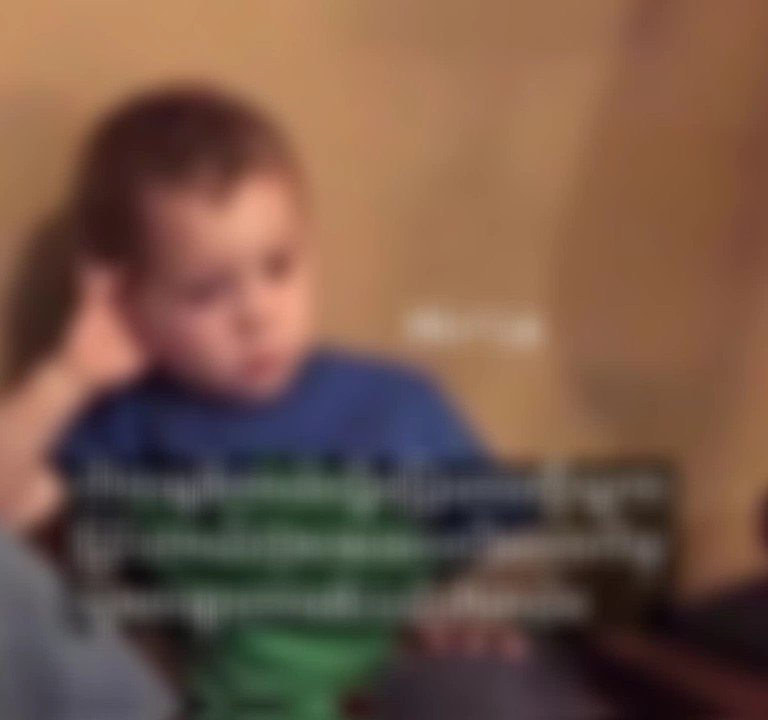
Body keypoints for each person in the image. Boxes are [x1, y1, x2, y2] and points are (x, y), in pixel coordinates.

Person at [0, 85, 528, 719]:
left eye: (279, 267)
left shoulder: (393, 406)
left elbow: (504, 546)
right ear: (127, 301)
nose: (257, 314)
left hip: (383, 667)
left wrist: (462, 599)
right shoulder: (126, 422)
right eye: (206, 292)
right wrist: (71, 373)